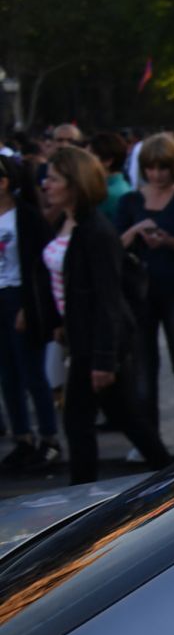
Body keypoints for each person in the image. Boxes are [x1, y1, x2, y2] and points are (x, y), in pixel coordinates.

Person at [28, 146, 171, 483]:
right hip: (82, 338)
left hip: (98, 344)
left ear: (75, 184)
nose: (45, 184)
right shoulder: (69, 223)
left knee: (82, 423)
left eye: (54, 179)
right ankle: (171, 478)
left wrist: (103, 359)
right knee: (123, 419)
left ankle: (89, 496)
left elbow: (108, 299)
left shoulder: (95, 232)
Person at [115, 132, 174, 456]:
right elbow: (114, 246)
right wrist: (136, 231)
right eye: (150, 168)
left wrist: (166, 240)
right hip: (139, 293)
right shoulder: (130, 201)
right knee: (143, 364)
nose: (156, 175)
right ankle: (147, 435)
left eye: (163, 168)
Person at [0, 155, 61, 472]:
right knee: (7, 374)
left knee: (31, 372)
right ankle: (22, 438)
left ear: (5, 182)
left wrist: (29, 305)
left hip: (18, 297)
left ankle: (48, 438)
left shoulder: (25, 217)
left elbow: (41, 265)